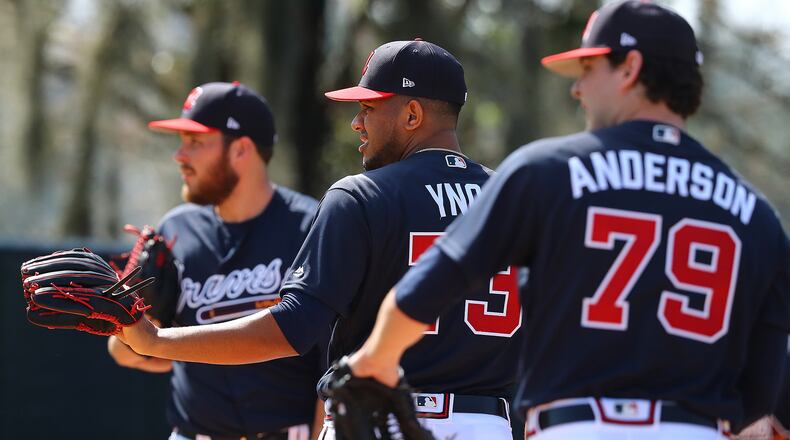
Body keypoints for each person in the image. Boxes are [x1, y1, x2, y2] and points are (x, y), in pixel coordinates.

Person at [344, 2, 790, 440]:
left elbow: (427, 288)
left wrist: (375, 363)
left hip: (577, 426)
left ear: (630, 68)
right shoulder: (755, 213)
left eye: (588, 71)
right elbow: (761, 391)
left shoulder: (546, 172)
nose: (578, 90)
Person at [118, 40, 523, 440]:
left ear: (412, 114)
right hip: (486, 425)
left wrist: (155, 340)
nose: (357, 123)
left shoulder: (362, 195)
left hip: (380, 420)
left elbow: (292, 329)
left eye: (368, 108)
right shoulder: (514, 197)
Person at [107, 82, 325, 440]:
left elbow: (332, 361)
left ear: (241, 149)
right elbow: (126, 353)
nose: (179, 155)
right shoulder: (176, 230)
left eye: (195, 142)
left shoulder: (310, 226)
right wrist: (137, 318)